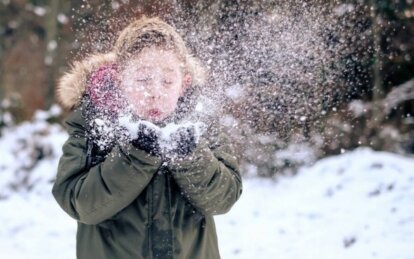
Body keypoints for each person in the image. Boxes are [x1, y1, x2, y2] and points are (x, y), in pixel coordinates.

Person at [52, 16, 243, 259]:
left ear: (183, 84)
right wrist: (136, 156)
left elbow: (223, 199)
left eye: (167, 80)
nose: (155, 92)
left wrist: (190, 156)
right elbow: (80, 203)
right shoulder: (94, 123)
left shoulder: (199, 124)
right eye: (143, 79)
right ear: (120, 80)